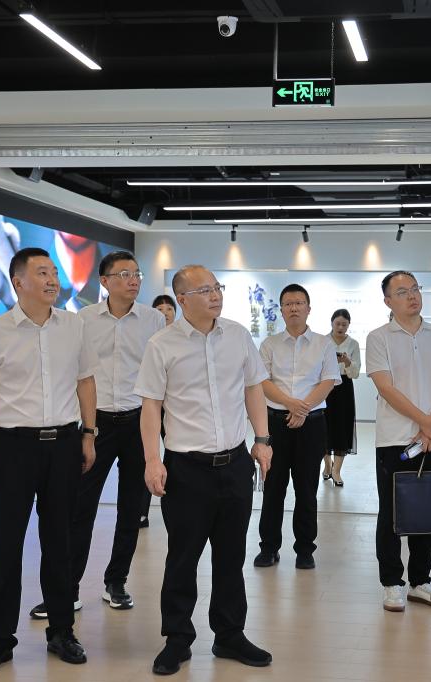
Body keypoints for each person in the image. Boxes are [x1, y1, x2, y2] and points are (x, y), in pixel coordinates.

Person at [0, 247, 99, 677]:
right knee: (6, 544)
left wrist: (89, 435)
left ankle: (61, 630)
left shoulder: (73, 326)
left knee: (60, 541)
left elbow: (86, 381)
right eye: (42, 272)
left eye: (54, 271)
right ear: (18, 282)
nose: (52, 279)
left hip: (64, 444)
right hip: (12, 448)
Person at [135, 265, 273, 676]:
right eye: (205, 290)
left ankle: (229, 634)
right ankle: (177, 638)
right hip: (186, 469)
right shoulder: (162, 344)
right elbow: (150, 406)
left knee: (231, 555)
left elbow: (253, 387)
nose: (216, 296)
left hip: (234, 462)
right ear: (182, 299)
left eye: (217, 288)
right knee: (183, 556)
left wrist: (262, 439)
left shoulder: (238, 336)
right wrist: (152, 459)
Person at [27, 251, 165, 620]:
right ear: (104, 281)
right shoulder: (82, 320)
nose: (133, 280)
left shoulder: (153, 320)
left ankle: (116, 581)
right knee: (79, 508)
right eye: (124, 274)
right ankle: (66, 590)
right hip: (95, 423)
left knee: (131, 510)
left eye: (136, 273)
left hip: (137, 421)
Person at [366, 270, 431, 613]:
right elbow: (386, 388)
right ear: (388, 301)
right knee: (392, 513)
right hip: (394, 439)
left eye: (415, 289)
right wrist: (425, 422)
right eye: (402, 292)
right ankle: (392, 583)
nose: (412, 296)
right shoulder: (378, 338)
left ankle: (421, 581)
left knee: (428, 512)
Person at [254, 284, 339, 570]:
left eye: (299, 303)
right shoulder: (269, 344)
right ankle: (268, 548)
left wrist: (303, 408)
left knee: (306, 489)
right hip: (276, 423)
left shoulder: (324, 344)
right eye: (288, 304)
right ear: (281, 310)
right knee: (273, 487)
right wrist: (291, 403)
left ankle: (305, 549)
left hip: (311, 424)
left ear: (308, 308)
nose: (293, 308)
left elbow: (328, 381)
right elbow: (262, 381)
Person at [140, 293, 178, 528]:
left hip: (174, 410)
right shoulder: (150, 340)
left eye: (169, 309)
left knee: (174, 457)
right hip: (152, 407)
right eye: (159, 310)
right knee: (149, 457)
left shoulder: (181, 339)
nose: (164, 314)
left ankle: (174, 500)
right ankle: (141, 511)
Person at [323, 308, 361, 487]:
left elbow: (355, 373)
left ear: (349, 325)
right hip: (325, 387)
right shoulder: (322, 341)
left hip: (344, 388)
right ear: (331, 323)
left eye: (344, 325)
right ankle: (327, 464)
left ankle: (336, 471)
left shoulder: (353, 344)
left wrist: (347, 362)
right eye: (337, 324)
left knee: (342, 428)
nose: (340, 327)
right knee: (323, 428)